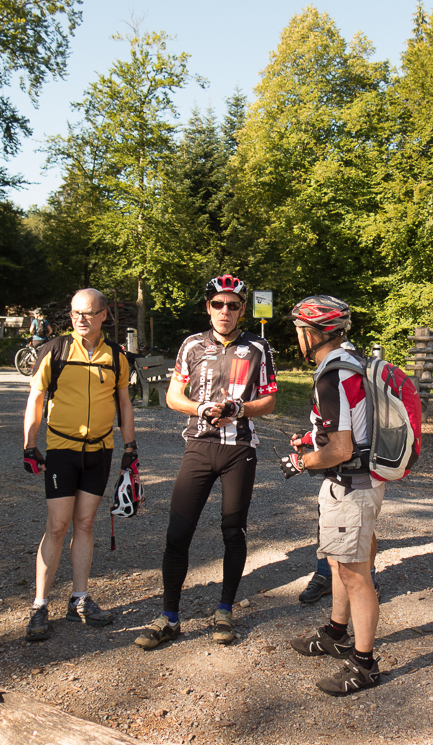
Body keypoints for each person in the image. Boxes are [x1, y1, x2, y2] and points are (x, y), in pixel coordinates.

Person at [135, 274, 277, 650]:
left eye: (233, 305)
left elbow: (270, 401)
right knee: (178, 533)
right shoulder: (192, 345)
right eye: (218, 304)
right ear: (208, 307)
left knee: (233, 530)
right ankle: (169, 617)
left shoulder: (258, 347)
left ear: (243, 309)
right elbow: (172, 396)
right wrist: (201, 407)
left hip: (239, 449)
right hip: (199, 445)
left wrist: (240, 408)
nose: (225, 311)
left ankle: (225, 610)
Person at [22, 288, 136, 641]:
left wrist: (130, 446)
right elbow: (36, 399)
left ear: (104, 316)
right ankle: (40, 605)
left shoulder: (116, 356)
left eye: (88, 313)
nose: (81, 319)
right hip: (62, 451)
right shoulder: (54, 350)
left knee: (85, 523)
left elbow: (124, 402)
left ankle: (79, 599)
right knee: (57, 526)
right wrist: (29, 444)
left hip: (100, 451)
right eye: (75, 313)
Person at [283, 295, 384, 696]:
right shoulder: (352, 361)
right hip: (363, 481)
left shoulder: (331, 375)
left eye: (298, 330)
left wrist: (302, 461)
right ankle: (336, 632)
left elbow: (340, 449)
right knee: (340, 562)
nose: (296, 338)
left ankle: (364, 664)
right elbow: (351, 425)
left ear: (313, 332)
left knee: (354, 574)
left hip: (350, 485)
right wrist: (311, 438)